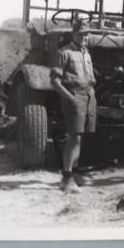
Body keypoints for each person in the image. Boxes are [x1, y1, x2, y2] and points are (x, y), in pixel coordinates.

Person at [50, 22, 97, 194]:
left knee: (81, 137)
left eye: (86, 34)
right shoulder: (64, 53)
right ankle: (66, 178)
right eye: (80, 34)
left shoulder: (87, 54)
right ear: (73, 35)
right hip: (74, 95)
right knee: (73, 137)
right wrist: (71, 98)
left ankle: (74, 174)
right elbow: (54, 82)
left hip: (89, 95)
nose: (84, 38)